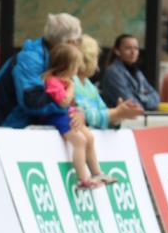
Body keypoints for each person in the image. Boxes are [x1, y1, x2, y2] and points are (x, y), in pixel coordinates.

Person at [0, 12, 85, 129]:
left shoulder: (55, 59)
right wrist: (66, 106)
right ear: (68, 42)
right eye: (78, 41)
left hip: (10, 132)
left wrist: (78, 111)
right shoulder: (30, 59)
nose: (78, 45)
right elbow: (33, 102)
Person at [43, 43, 115, 189]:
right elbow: (63, 102)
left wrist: (78, 110)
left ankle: (96, 172)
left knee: (89, 137)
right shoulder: (53, 81)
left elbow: (73, 103)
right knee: (80, 141)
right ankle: (83, 178)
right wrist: (70, 87)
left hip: (67, 115)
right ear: (68, 66)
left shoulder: (66, 81)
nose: (77, 70)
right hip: (58, 117)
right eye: (76, 66)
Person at [73, 34, 144, 131]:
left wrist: (118, 117)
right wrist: (116, 113)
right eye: (95, 57)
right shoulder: (70, 82)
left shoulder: (89, 85)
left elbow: (103, 114)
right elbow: (86, 116)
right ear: (88, 58)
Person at [100, 34, 160, 111]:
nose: (133, 52)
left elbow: (156, 97)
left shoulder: (137, 72)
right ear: (117, 51)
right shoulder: (113, 73)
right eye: (128, 48)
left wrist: (138, 97)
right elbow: (131, 104)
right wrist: (144, 96)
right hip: (120, 121)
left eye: (136, 48)